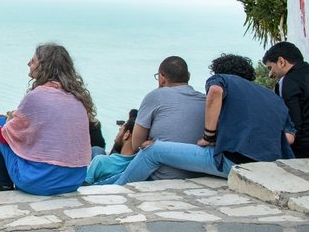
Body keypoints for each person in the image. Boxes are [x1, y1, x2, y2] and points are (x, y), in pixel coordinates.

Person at [112, 54, 296, 185]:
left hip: (232, 161)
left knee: (153, 150)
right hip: (267, 166)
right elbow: (289, 137)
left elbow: (215, 91)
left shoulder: (223, 81)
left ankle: (113, 190)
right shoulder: (272, 97)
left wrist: (208, 137)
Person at [0, 43, 93, 195]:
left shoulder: (37, 95)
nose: (29, 63)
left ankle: (4, 187)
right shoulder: (77, 97)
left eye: (33, 61)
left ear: (45, 66)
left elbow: (5, 134)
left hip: (39, 182)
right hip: (74, 180)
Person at [124, 56, 208, 179]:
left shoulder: (155, 96)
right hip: (198, 173)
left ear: (162, 78)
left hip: (161, 175)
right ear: (188, 76)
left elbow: (136, 144)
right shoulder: (204, 100)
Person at [263, 41, 309, 158]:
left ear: (281, 61)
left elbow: (293, 125)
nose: (270, 74)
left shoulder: (287, 81)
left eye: (270, 67)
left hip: (303, 151)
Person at [84, 115, 137, 185]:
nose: (116, 136)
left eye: (120, 130)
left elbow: (83, 185)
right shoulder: (138, 163)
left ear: (126, 134)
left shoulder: (101, 161)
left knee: (96, 149)